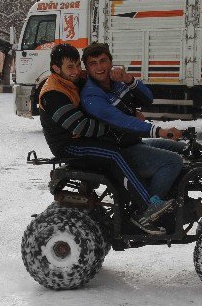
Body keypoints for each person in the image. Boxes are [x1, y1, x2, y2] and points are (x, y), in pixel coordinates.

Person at [38, 44, 178, 235]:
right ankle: (147, 208)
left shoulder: (75, 79)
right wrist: (116, 129)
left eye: (78, 66)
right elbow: (81, 126)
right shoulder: (53, 93)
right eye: (70, 67)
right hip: (70, 145)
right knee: (114, 155)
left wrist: (126, 80)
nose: (77, 71)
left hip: (85, 139)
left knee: (174, 149)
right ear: (56, 68)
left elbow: (143, 99)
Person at [79, 43, 185, 210]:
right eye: (93, 63)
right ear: (87, 68)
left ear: (111, 62)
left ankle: (174, 196)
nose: (99, 67)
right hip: (121, 150)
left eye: (103, 61)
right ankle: (148, 209)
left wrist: (128, 79)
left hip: (133, 142)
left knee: (182, 149)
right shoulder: (91, 94)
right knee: (173, 161)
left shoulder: (117, 83)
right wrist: (159, 131)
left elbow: (148, 99)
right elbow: (120, 120)